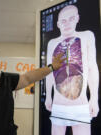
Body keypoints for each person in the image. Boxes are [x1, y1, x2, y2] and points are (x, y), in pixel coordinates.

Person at [45, 5, 99, 135]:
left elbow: (92, 67)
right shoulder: (52, 43)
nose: (67, 23)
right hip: (59, 105)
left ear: (77, 18)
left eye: (71, 19)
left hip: (81, 106)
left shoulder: (87, 36)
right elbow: (49, 72)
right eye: (63, 21)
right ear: (58, 24)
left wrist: (94, 98)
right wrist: (48, 96)